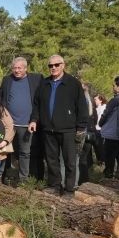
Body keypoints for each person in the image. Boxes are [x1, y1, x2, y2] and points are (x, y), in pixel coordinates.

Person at [28, 55, 87, 197]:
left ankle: (69, 189)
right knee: (51, 160)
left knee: (70, 161)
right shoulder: (44, 84)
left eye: (56, 65)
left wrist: (81, 127)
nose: (53, 68)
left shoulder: (73, 83)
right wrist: (34, 120)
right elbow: (37, 104)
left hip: (68, 129)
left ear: (63, 65)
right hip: (48, 130)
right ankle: (54, 185)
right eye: (50, 65)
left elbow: (81, 106)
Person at [0, 57, 43, 184]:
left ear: (25, 68)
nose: (17, 70)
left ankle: (23, 179)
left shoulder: (36, 79)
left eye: (19, 68)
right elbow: (3, 100)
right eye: (14, 68)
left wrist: (35, 119)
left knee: (25, 153)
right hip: (9, 125)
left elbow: (39, 102)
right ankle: (0, 177)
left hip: (27, 124)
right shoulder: (7, 80)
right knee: (4, 152)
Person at [98, 76, 119, 178]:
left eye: (114, 85)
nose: (113, 87)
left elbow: (106, 114)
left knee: (109, 160)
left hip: (112, 135)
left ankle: (109, 179)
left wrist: (100, 123)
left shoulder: (115, 100)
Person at [92, 94, 107, 164]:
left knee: (100, 147)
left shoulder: (104, 107)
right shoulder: (95, 108)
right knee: (96, 147)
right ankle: (99, 161)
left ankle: (102, 161)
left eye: (95, 99)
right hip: (95, 129)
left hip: (100, 130)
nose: (94, 101)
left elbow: (100, 119)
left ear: (100, 100)